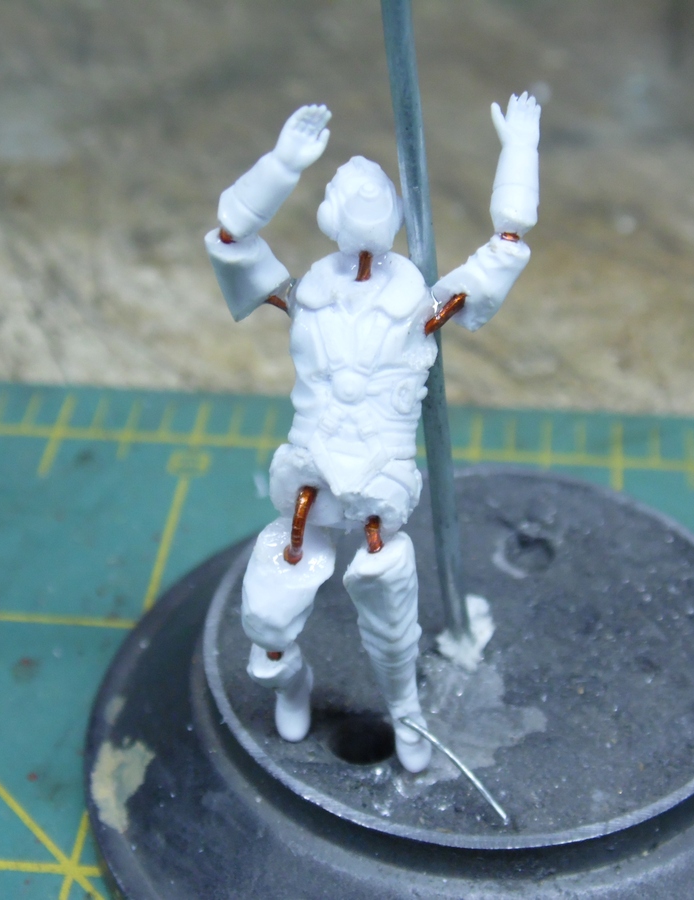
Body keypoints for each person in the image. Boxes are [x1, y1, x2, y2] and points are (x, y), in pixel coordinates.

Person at [205, 94, 540, 772]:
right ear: (329, 215)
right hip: (310, 472)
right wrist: (281, 164)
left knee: (389, 605)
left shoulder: (420, 307)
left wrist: (520, 151)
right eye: (348, 198)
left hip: (381, 477)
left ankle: (407, 711)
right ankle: (289, 683)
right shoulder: (306, 298)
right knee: (269, 615)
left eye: (374, 199)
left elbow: (505, 249)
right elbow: (231, 241)